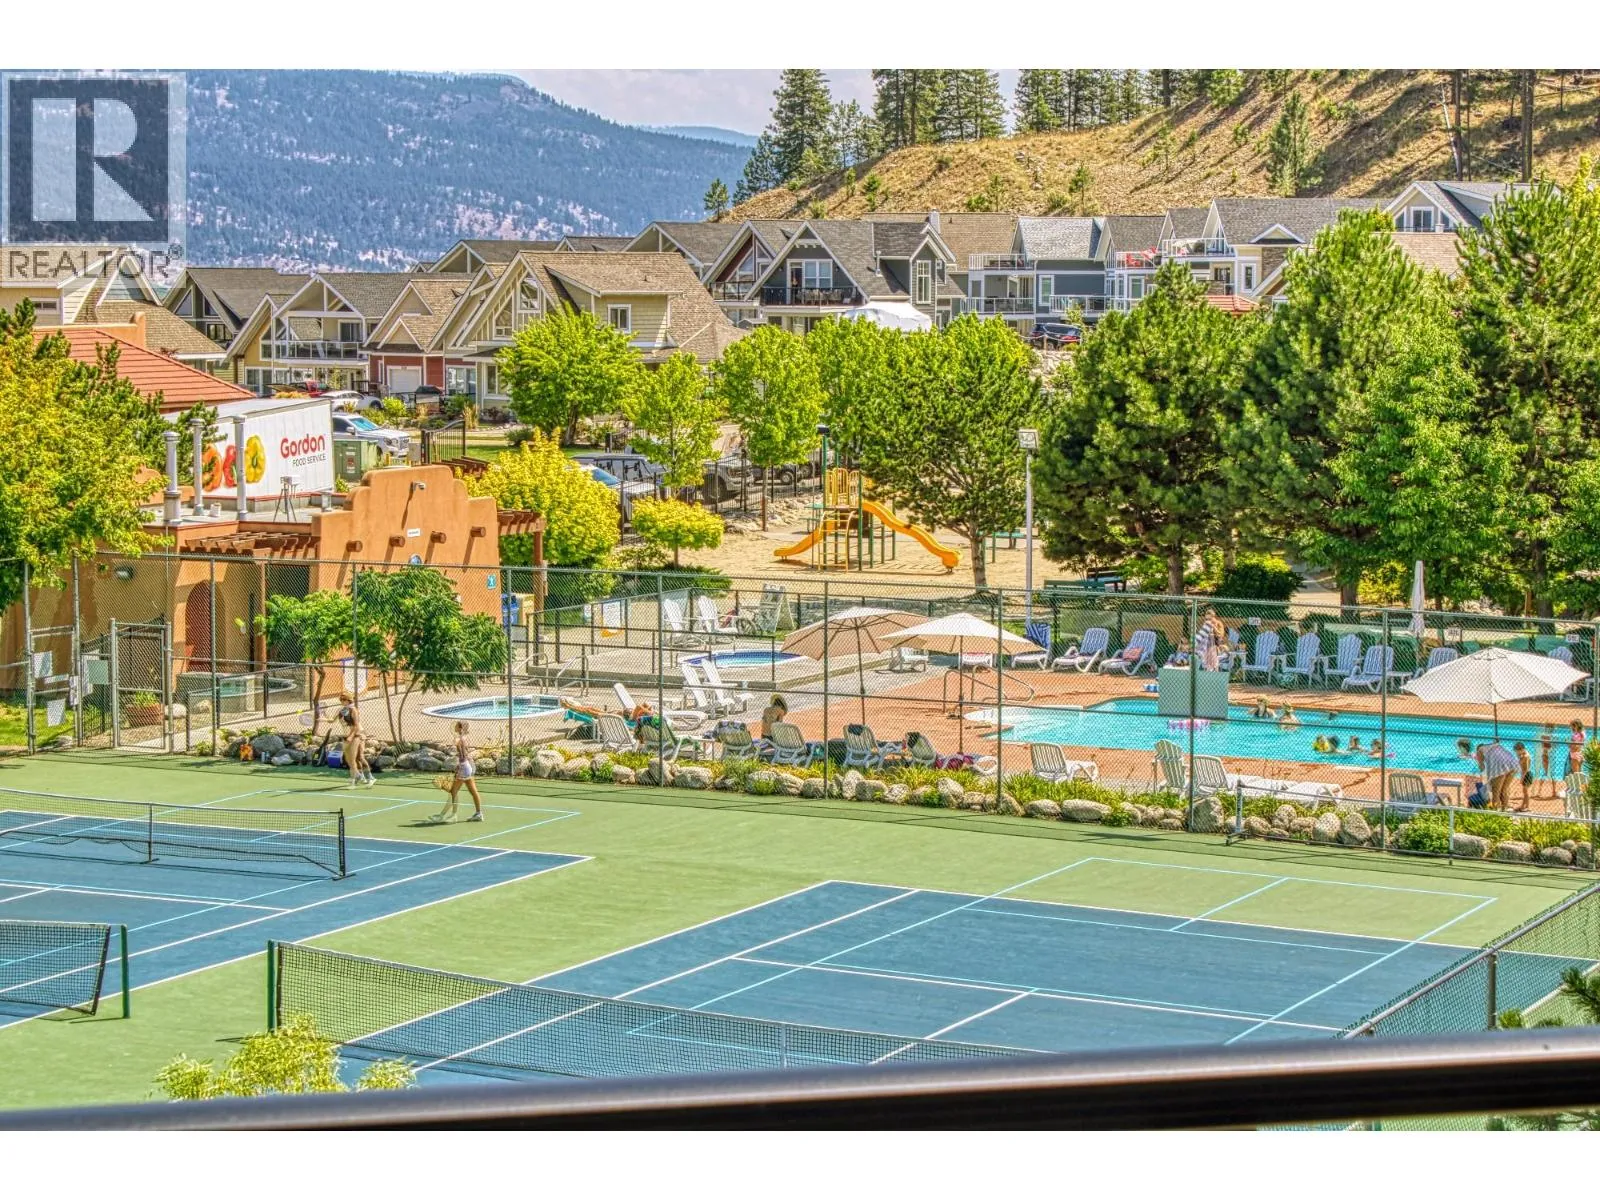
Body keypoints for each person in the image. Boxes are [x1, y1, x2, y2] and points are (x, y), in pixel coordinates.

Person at [433, 721, 484, 823]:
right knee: (473, 791)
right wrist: (459, 766)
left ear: (460, 728)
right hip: (467, 766)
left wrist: (460, 767)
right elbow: (464, 754)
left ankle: (452, 815)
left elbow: (462, 754)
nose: (454, 727)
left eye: (456, 726)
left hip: (464, 767)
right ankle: (478, 814)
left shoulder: (458, 739)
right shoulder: (465, 738)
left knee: (453, 792)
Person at [337, 692, 373, 788]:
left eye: (344, 699)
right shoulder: (343, 710)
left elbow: (356, 726)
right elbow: (334, 720)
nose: (342, 701)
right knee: (353, 759)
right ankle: (360, 777)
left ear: (349, 700)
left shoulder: (353, 710)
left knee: (359, 757)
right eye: (341, 700)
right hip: (351, 735)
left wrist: (351, 736)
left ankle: (369, 778)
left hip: (359, 735)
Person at [1476, 742, 1519, 811]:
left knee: (1496, 791)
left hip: (1500, 766)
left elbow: (1481, 767)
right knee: (1504, 790)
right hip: (1513, 764)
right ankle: (1504, 810)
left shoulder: (1480, 750)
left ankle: (1495, 812)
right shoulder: (1493, 746)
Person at [1513, 742, 1533, 812]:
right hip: (1526, 774)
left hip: (1526, 774)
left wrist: (1522, 778)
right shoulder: (1524, 755)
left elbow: (1526, 769)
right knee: (1525, 792)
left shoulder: (1525, 756)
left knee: (1526, 792)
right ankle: (1523, 806)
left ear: (1521, 749)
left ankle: (1527, 807)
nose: (1516, 753)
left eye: (1517, 751)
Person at [1540, 724, 1556, 797]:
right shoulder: (1553, 736)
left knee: (1545, 773)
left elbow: (1543, 745)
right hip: (1550, 755)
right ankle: (1554, 791)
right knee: (1551, 774)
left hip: (1546, 754)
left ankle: (1539, 791)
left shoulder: (1543, 736)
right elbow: (1554, 746)